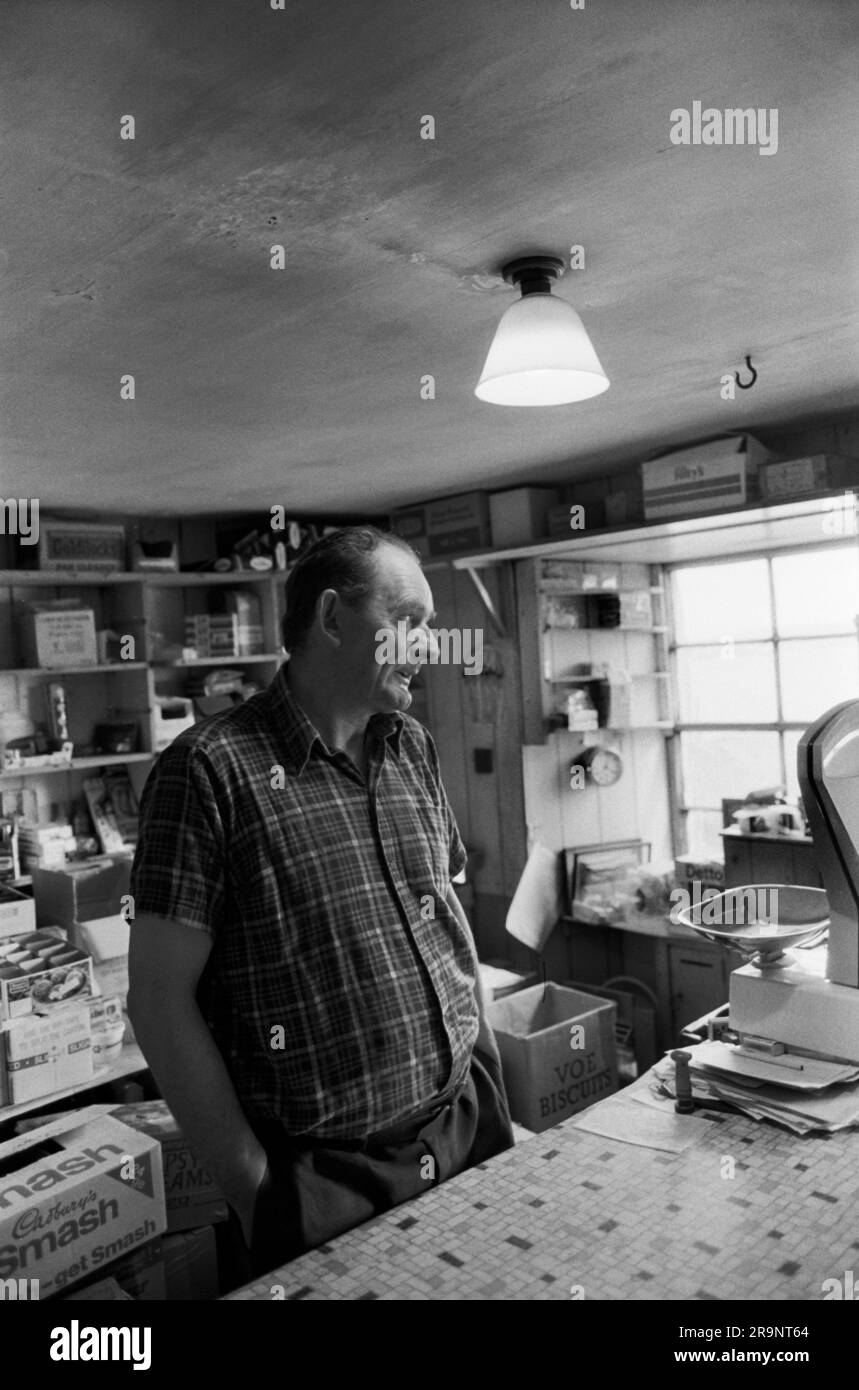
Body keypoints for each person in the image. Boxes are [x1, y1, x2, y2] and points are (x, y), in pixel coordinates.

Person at [128, 526, 514, 1279]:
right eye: (410, 622)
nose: (427, 647)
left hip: (464, 1124)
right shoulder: (208, 771)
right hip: (322, 1181)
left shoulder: (411, 746)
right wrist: (253, 1187)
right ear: (333, 619)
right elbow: (156, 999)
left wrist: (486, 1070)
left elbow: (445, 918)